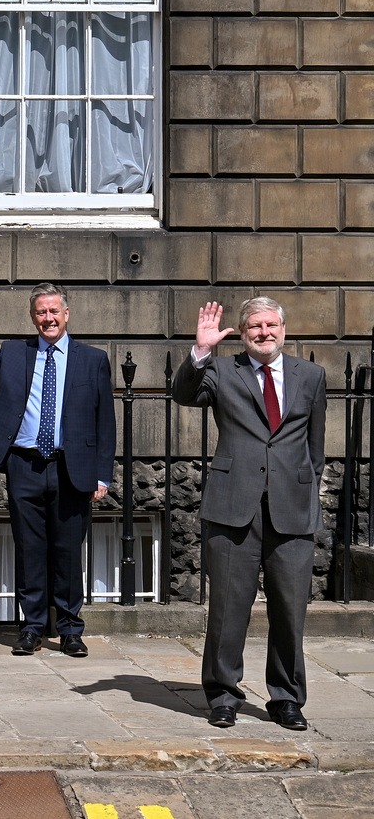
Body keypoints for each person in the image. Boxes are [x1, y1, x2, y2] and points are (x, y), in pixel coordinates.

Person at [171, 298, 326, 731]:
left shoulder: (310, 376)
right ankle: (222, 694)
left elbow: (315, 449)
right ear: (242, 333)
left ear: (283, 328)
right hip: (232, 507)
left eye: (271, 324)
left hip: (291, 510)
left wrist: (301, 491)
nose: (264, 332)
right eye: (255, 326)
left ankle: (287, 699)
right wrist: (200, 352)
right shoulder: (223, 371)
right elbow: (183, 394)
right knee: (227, 608)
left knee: (290, 610)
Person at [0, 283, 114, 658]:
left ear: (66, 314)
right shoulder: (14, 353)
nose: (48, 318)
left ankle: (70, 628)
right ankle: (32, 627)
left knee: (69, 550)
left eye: (54, 311)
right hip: (24, 465)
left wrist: (103, 475)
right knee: (29, 548)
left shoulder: (93, 359)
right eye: (41, 312)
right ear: (32, 316)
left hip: (73, 467)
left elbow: (105, 422)